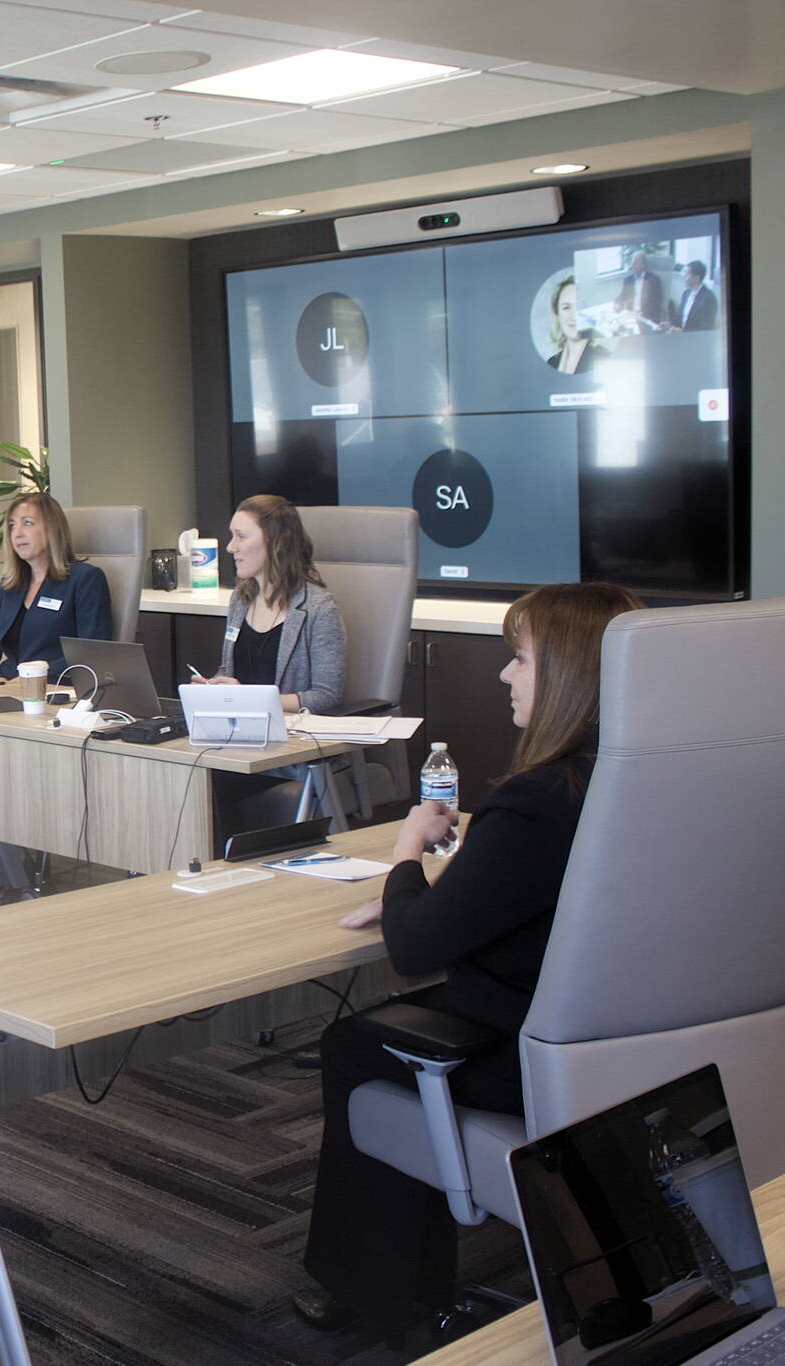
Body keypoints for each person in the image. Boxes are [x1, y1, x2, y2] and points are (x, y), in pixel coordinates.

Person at [292, 581, 645, 1342]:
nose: (504, 676)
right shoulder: (633, 782)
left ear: (569, 677)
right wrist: (462, 873)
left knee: (356, 1043)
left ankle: (383, 1293)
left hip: (524, 1050)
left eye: (518, 659)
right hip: (629, 1047)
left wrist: (407, 852)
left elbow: (416, 949)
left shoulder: (536, 803)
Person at [203, 493, 343, 714]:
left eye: (241, 536)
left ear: (274, 540)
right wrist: (211, 686)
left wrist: (249, 699)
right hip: (238, 727)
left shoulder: (319, 608)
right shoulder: (240, 600)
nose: (230, 547)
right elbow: (228, 670)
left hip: (292, 736)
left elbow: (326, 696)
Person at [0, 493, 112, 682]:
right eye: (12, 525)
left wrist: (31, 677)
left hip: (57, 688)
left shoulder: (85, 579)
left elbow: (92, 652)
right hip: (9, 685)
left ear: (52, 529)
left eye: (27, 523)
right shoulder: (10, 585)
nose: (17, 533)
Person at [544, 276, 604, 375]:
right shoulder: (552, 363)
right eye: (566, 307)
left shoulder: (603, 359)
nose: (573, 316)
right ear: (557, 314)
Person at [614, 246, 664, 326]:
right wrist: (618, 304)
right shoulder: (628, 280)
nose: (632, 266)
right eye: (632, 263)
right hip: (630, 315)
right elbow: (621, 296)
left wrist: (648, 320)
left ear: (643, 265)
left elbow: (656, 304)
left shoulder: (654, 280)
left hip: (645, 318)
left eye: (635, 263)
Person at [667, 260, 718, 332]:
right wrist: (669, 325)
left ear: (696, 278)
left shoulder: (708, 298)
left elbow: (706, 328)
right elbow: (679, 317)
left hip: (695, 339)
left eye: (686, 274)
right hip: (680, 336)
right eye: (683, 272)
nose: (682, 276)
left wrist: (682, 331)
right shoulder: (686, 293)